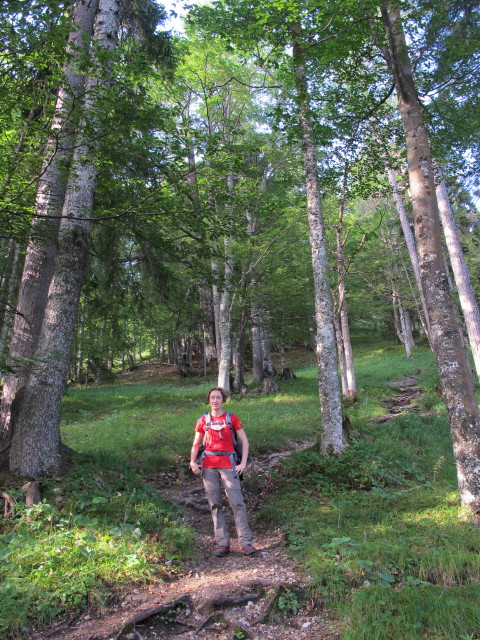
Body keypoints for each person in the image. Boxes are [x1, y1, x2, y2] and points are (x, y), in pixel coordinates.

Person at [190, 387, 257, 557]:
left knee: (237, 502)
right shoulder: (203, 420)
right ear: (209, 400)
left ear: (223, 400)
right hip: (209, 466)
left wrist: (242, 463)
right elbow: (196, 444)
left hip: (229, 464)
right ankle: (222, 543)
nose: (215, 401)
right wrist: (192, 462)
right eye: (212, 398)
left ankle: (246, 542)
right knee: (215, 504)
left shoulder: (231, 418)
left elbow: (245, 441)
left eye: (218, 398)